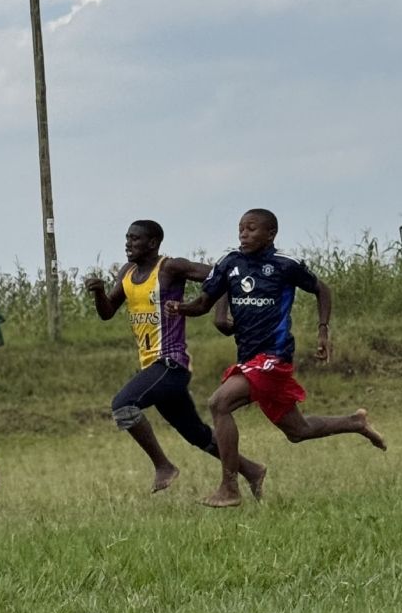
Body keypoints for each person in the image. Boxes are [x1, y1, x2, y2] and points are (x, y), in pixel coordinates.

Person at [164, 208, 386, 508]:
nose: (244, 234)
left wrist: (323, 331)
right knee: (298, 431)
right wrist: (182, 308)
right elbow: (204, 303)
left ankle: (229, 487)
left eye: (252, 229)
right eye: (241, 228)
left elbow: (322, 289)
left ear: (271, 234)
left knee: (219, 403)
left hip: (274, 357)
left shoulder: (285, 265)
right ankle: (355, 422)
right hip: (249, 358)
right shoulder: (230, 262)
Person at [87, 220, 265, 495]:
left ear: (153, 243)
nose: (128, 244)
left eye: (135, 239)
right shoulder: (127, 272)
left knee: (123, 405)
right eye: (127, 238)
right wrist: (99, 293)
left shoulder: (170, 268)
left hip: (171, 364)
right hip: (153, 366)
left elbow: (223, 278)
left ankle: (163, 466)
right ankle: (251, 470)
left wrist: (220, 316)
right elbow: (107, 311)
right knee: (196, 434)